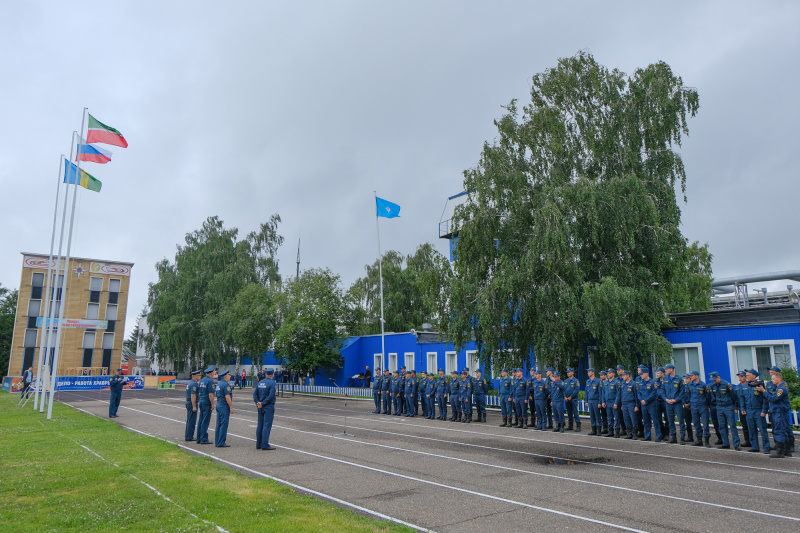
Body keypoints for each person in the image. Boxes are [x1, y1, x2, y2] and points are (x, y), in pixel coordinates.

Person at [758, 366, 792, 458]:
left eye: (773, 378)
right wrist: (763, 392)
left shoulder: (781, 389)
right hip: (777, 411)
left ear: (779, 379)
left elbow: (773, 399)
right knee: (782, 430)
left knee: (779, 430)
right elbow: (769, 396)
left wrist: (764, 391)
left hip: (779, 412)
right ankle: (786, 451)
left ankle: (780, 452)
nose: (772, 380)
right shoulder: (776, 388)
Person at [708, 371, 740, 450]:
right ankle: (725, 443)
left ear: (718, 377)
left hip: (728, 407)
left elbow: (733, 396)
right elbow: (712, 397)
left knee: (732, 426)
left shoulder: (726, 384)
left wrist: (733, 406)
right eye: (713, 380)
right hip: (719, 407)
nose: (714, 381)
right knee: (721, 426)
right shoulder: (712, 386)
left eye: (715, 380)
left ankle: (736, 444)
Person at [742, 369, 770, 454]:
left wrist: (764, 410)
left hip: (758, 410)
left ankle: (766, 448)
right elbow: (742, 398)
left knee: (762, 430)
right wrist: (743, 408)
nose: (746, 376)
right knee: (751, 429)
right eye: (746, 375)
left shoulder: (759, 385)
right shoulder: (746, 386)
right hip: (749, 410)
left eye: (748, 375)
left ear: (754, 376)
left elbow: (765, 399)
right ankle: (755, 446)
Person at [636, 366, 661, 442]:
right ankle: (647, 436)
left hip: (651, 404)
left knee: (655, 421)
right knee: (646, 421)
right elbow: (638, 393)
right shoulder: (640, 383)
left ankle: (658, 437)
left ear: (647, 374)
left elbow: (654, 393)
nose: (641, 375)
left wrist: (646, 400)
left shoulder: (653, 382)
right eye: (640, 374)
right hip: (644, 404)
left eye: (642, 374)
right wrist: (641, 400)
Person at [662, 363, 686, 444]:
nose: (665, 370)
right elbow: (662, 390)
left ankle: (682, 438)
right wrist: (666, 399)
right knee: (670, 420)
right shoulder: (665, 378)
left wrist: (676, 400)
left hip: (677, 403)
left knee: (681, 420)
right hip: (668, 403)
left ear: (671, 369)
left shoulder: (679, 379)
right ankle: (673, 437)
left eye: (667, 369)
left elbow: (682, 392)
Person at [254, 368, 277, 450]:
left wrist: (258, 403)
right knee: (267, 425)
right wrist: (263, 403)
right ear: (272, 374)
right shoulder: (272, 383)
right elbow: (271, 396)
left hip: (260, 406)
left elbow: (255, 395)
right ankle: (265, 444)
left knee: (260, 425)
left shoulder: (260, 382)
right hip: (268, 406)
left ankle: (258, 444)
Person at [687, 370, 712, 447]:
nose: (690, 377)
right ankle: (699, 440)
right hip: (694, 407)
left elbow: (708, 396)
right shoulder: (689, 385)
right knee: (696, 424)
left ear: (697, 376)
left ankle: (707, 441)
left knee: (705, 424)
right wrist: (690, 403)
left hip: (703, 406)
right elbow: (688, 395)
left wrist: (707, 405)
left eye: (692, 375)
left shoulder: (703, 385)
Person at [196, 365, 217, 444]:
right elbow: (211, 394)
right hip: (206, 402)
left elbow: (200, 391)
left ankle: (199, 438)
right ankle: (203, 438)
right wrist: (212, 404)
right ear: (211, 373)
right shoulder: (210, 381)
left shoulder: (202, 380)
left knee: (201, 420)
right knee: (205, 421)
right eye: (214, 371)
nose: (215, 372)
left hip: (201, 400)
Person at [214, 370, 233, 447]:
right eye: (229, 375)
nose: (230, 376)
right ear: (225, 377)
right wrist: (231, 407)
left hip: (219, 404)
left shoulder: (219, 384)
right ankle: (221, 442)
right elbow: (227, 397)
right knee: (224, 424)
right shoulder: (226, 385)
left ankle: (217, 441)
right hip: (224, 406)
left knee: (218, 424)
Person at [733, 371, 752, 449]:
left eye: (741, 377)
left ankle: (752, 441)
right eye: (739, 377)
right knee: (744, 426)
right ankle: (747, 441)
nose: (740, 378)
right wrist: (736, 408)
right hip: (741, 409)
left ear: (745, 377)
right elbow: (735, 399)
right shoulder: (737, 387)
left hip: (748, 408)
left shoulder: (749, 385)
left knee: (750, 425)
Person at [619, 370, 638, 440]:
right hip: (624, 403)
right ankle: (629, 433)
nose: (622, 377)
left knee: (633, 419)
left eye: (624, 375)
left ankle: (635, 433)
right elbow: (622, 395)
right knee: (626, 419)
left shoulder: (633, 384)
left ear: (628, 375)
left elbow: (636, 396)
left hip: (631, 403)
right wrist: (622, 404)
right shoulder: (623, 383)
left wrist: (636, 405)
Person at [603, 368, 621, 438]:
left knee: (616, 417)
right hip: (608, 402)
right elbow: (603, 393)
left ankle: (617, 432)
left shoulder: (616, 382)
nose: (608, 374)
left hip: (614, 402)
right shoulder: (606, 383)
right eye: (608, 373)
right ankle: (610, 431)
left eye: (610, 373)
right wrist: (603, 401)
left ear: (613, 374)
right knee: (609, 417)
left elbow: (618, 393)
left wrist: (616, 403)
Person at [185, 370, 202, 441]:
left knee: (189, 420)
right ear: (195, 376)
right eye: (199, 375)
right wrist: (194, 406)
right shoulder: (194, 384)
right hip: (191, 403)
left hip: (189, 402)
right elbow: (193, 395)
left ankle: (188, 435)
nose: (200, 377)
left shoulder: (191, 383)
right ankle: (189, 437)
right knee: (192, 421)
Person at [585, 368, 602, 435]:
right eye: (588, 372)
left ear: (593, 372)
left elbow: (600, 393)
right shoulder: (588, 381)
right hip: (590, 400)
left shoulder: (598, 381)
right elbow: (586, 392)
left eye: (589, 371)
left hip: (596, 400)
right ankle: (593, 429)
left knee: (597, 416)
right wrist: (586, 400)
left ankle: (599, 430)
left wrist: (600, 402)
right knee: (592, 416)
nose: (588, 373)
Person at [564, 367, 581, 432]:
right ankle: (570, 425)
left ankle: (578, 425)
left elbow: (576, 390)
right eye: (567, 372)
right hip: (567, 399)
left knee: (575, 412)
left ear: (573, 373)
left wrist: (571, 396)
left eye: (569, 372)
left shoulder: (576, 381)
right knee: (569, 413)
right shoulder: (566, 381)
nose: (568, 373)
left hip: (573, 399)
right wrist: (565, 396)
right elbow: (564, 390)